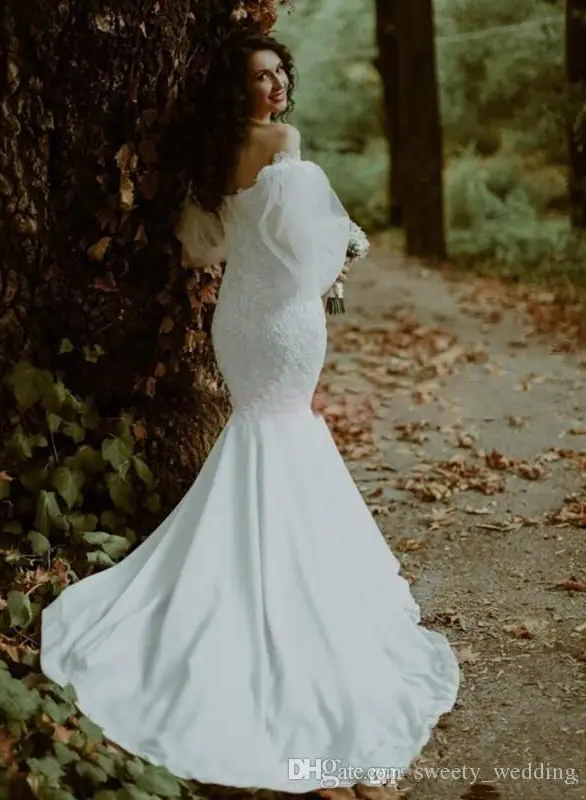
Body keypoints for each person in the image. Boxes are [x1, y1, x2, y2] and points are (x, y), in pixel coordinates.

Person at [40, 31, 460, 795]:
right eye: (261, 79)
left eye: (278, 75)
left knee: (263, 435)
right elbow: (305, 256)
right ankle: (284, 588)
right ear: (242, 92)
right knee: (282, 432)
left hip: (237, 320)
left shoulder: (212, 155)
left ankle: (250, 565)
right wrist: (345, 249)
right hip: (284, 321)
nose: (275, 89)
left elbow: (206, 248)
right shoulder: (284, 142)